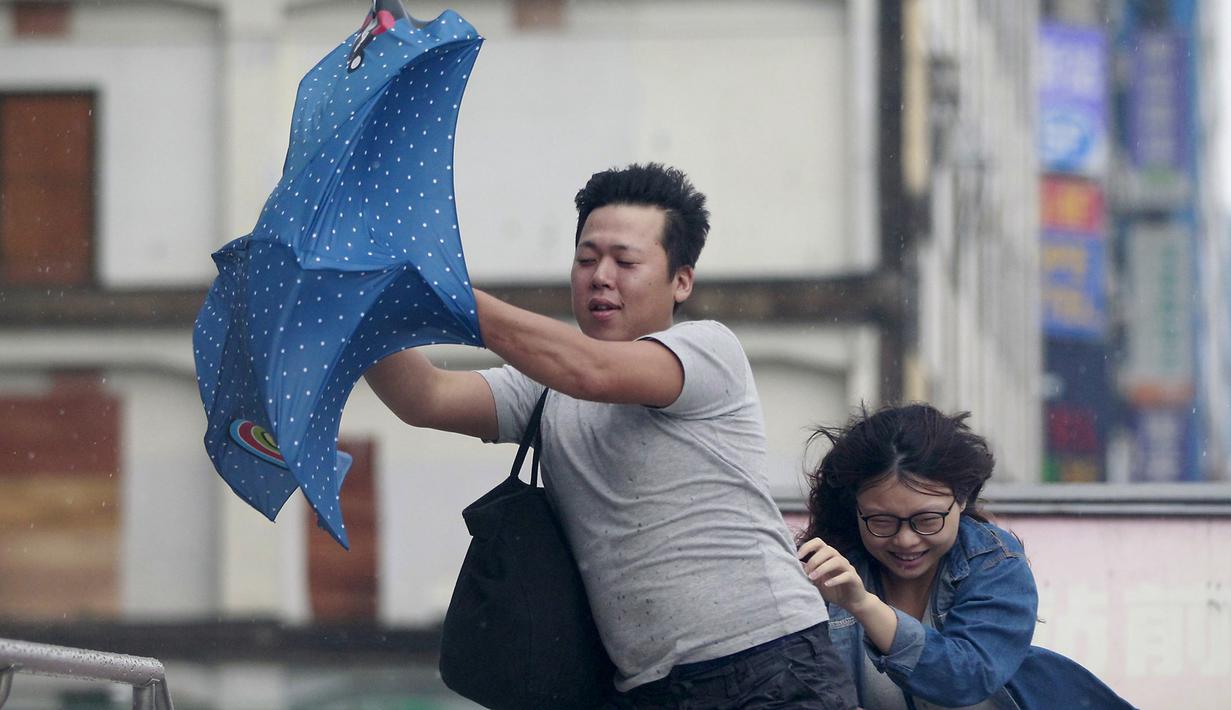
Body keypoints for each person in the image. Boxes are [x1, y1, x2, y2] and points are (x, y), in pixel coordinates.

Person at [366, 163, 857, 708]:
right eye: (585, 259)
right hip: (645, 692)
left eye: (625, 261)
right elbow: (424, 397)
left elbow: (592, 371)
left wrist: (446, 293)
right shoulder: (545, 390)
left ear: (681, 281)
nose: (601, 276)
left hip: (768, 667)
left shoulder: (708, 351)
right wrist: (358, 306)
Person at [797, 404, 1136, 709]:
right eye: (881, 521)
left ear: (962, 498)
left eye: (927, 520)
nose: (905, 539)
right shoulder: (823, 571)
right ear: (854, 508)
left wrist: (863, 605)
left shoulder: (994, 561)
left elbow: (965, 677)